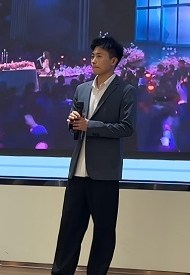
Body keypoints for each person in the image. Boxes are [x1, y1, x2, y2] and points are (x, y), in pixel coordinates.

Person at [52, 37, 136, 275]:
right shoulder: (82, 88)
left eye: (99, 56)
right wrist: (73, 122)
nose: (94, 60)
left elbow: (126, 128)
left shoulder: (126, 91)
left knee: (103, 231)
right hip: (78, 171)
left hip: (105, 173)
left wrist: (91, 125)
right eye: (92, 56)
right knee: (69, 229)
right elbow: (76, 124)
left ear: (114, 61)